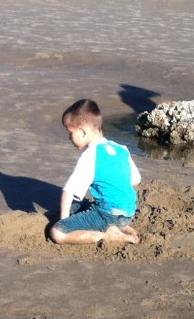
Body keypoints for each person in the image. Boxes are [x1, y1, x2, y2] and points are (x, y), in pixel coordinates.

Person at [50, 98, 141, 245]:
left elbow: (68, 191)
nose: (69, 138)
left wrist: (64, 222)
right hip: (128, 213)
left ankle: (111, 235)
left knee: (58, 232)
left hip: (108, 214)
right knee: (77, 207)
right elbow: (135, 181)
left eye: (70, 133)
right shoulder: (121, 149)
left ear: (82, 131)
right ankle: (122, 226)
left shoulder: (90, 156)